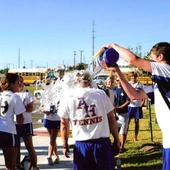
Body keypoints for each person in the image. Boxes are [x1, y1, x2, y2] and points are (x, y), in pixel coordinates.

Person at [100, 42, 170, 170]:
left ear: (161, 57)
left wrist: (113, 46)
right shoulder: (161, 83)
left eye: (152, 58)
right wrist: (117, 71)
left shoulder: (166, 69)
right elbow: (134, 95)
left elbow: (134, 59)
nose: (149, 62)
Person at [58, 70, 120, 170]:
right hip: (101, 143)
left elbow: (64, 124)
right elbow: (111, 118)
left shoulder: (68, 96)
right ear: (90, 82)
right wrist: (117, 140)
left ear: (75, 82)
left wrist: (65, 145)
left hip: (82, 144)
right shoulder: (100, 94)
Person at [0, 73, 25, 170]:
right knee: (10, 165)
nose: (19, 84)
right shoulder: (15, 97)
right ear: (11, 84)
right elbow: (20, 120)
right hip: (8, 131)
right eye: (17, 82)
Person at [15, 76, 38, 170]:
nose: (20, 84)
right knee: (16, 147)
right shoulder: (12, 94)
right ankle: (17, 165)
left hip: (26, 123)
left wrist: (21, 106)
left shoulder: (27, 93)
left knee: (29, 146)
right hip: (14, 123)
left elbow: (30, 108)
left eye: (22, 82)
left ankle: (35, 166)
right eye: (18, 82)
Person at [114, 77, 130, 153]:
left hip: (123, 113)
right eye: (117, 80)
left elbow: (128, 101)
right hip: (115, 113)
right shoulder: (114, 90)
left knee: (123, 132)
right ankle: (116, 145)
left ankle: (122, 147)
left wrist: (120, 107)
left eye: (120, 80)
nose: (119, 82)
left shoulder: (125, 89)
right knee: (116, 131)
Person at [128, 72, 145, 142]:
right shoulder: (128, 84)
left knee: (136, 122)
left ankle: (135, 137)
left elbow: (143, 93)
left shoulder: (140, 84)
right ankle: (125, 136)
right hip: (130, 105)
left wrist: (143, 102)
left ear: (136, 77)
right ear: (130, 77)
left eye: (134, 76)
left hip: (137, 105)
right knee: (127, 122)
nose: (133, 78)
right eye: (132, 77)